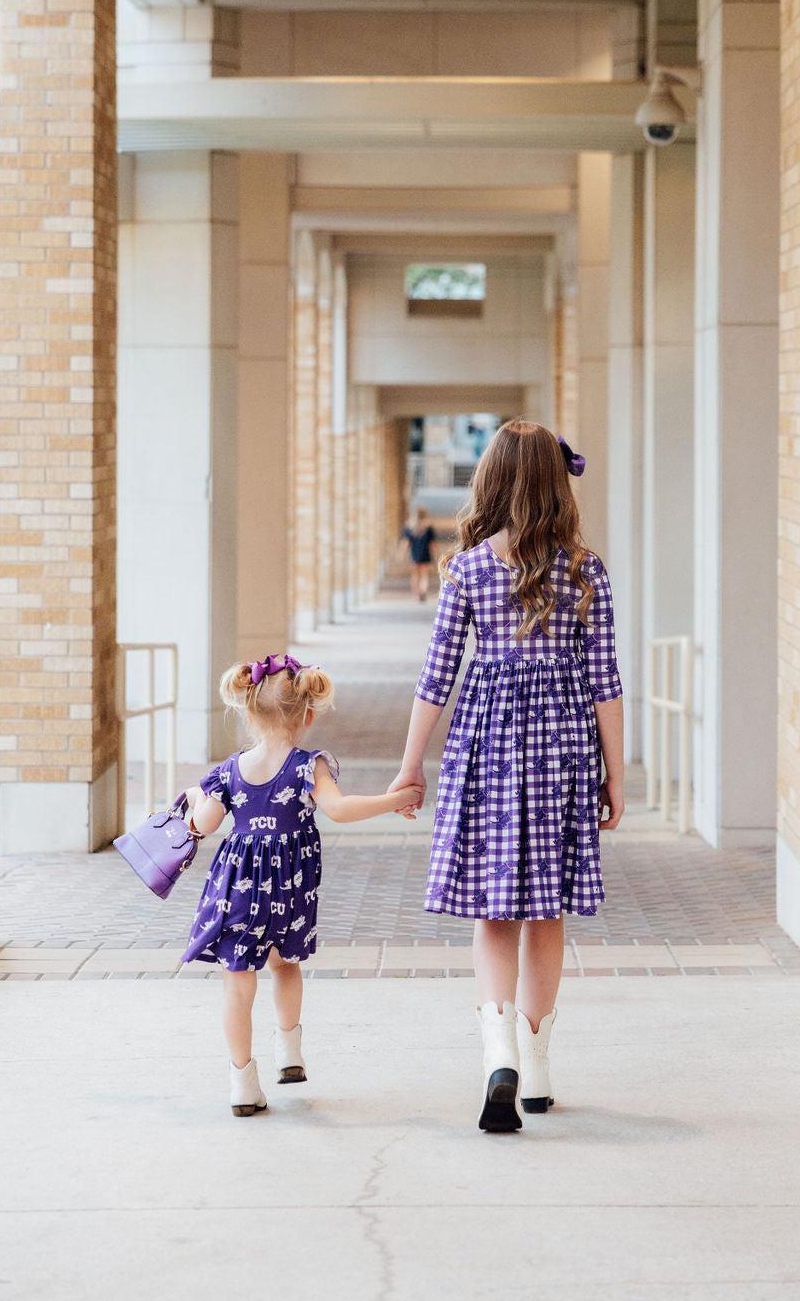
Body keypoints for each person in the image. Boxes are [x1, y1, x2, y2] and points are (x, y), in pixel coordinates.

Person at [387, 421, 625, 1132]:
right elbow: (605, 682)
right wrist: (616, 774)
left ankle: (499, 1055)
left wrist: (410, 764)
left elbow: (437, 677)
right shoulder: (586, 572)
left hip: (486, 744)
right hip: (560, 748)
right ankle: (538, 1065)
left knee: (495, 910)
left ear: (490, 482)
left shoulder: (465, 570)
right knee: (544, 908)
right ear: (559, 485)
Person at [181, 652, 422, 1116]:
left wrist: (197, 798)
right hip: (290, 888)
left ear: (248, 711)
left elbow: (204, 824)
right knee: (285, 963)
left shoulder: (229, 771)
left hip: (240, 890)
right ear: (308, 713)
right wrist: (394, 799)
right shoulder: (308, 766)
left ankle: (241, 1082)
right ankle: (289, 1053)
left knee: (237, 982)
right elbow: (340, 809)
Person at [400, 507, 437, 601]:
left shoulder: (410, 529)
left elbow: (406, 543)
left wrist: (402, 554)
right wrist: (436, 555)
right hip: (425, 554)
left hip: (414, 555)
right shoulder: (428, 529)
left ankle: (417, 593)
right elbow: (432, 544)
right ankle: (423, 591)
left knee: (415, 574)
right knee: (424, 574)